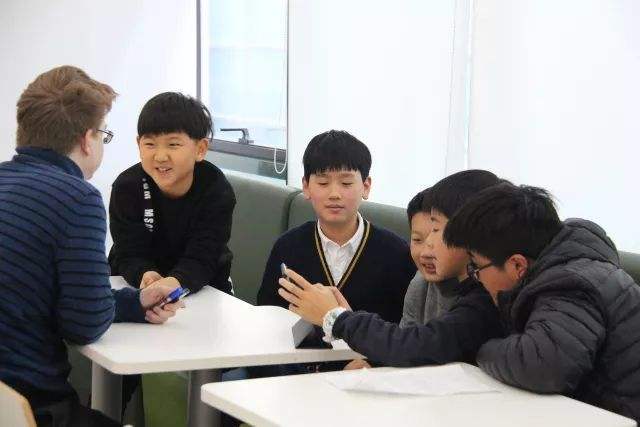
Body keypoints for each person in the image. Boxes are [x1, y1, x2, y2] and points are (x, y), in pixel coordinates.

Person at [0, 66, 183, 427]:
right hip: (33, 406)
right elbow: (83, 325)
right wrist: (112, 305)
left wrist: (133, 303)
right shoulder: (77, 198)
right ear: (87, 139)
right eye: (104, 135)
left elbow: (53, 299)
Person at [443, 182, 640, 422]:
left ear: (517, 265)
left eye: (476, 266)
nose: (476, 277)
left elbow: (544, 366)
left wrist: (480, 349)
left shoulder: (569, 286)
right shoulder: (566, 265)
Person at [278, 170, 504, 367]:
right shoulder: (421, 283)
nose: (427, 247)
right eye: (418, 239)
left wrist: (336, 317)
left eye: (436, 231)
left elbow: (417, 345)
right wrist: (372, 362)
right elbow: (408, 344)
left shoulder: (487, 298)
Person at [256, 130, 415, 373]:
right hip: (293, 377)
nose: (334, 194)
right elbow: (267, 320)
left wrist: (374, 364)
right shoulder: (288, 246)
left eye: (346, 183)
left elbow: (405, 332)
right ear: (306, 187)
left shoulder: (396, 253)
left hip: (366, 376)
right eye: (322, 183)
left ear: (366, 186)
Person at [109, 92, 235, 294]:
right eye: (150, 144)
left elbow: (205, 255)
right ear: (138, 145)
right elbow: (128, 252)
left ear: (200, 149)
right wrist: (145, 274)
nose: (160, 156)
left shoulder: (216, 190)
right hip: (137, 286)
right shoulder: (127, 187)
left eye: (173, 144)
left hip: (203, 287)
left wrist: (175, 282)